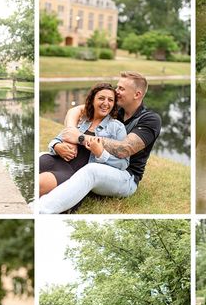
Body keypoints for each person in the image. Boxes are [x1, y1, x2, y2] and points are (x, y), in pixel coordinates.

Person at [39, 71, 161, 214]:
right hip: (94, 164)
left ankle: (42, 210)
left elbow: (125, 149)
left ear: (137, 94)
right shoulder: (113, 109)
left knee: (91, 170)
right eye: (117, 87)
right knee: (43, 155)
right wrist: (69, 134)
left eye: (121, 89)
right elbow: (75, 111)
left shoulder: (150, 119)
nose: (116, 92)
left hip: (126, 176)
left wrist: (81, 138)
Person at [39, 83, 128, 197]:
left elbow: (123, 164)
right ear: (92, 100)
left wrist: (101, 154)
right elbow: (57, 139)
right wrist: (57, 146)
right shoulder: (82, 121)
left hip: (74, 173)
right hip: (54, 160)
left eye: (110, 100)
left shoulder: (117, 128)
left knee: (39, 184)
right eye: (101, 98)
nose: (106, 103)